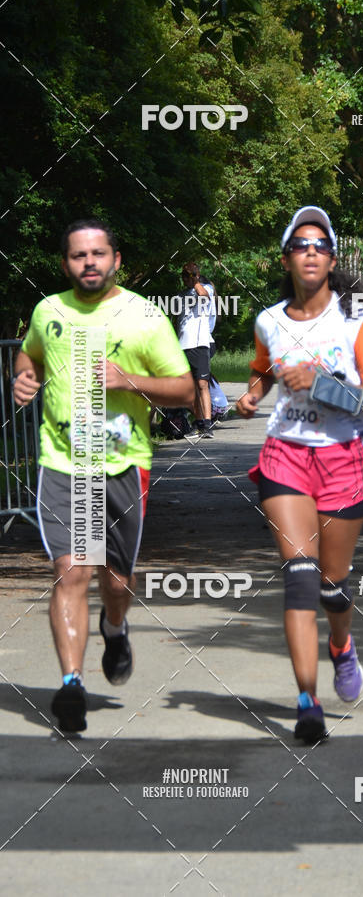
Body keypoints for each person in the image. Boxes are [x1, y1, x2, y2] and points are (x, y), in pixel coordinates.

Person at [13, 219, 194, 733]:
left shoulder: (144, 316)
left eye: (98, 253)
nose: (88, 262)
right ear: (65, 262)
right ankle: (71, 685)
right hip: (63, 461)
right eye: (77, 255)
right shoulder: (48, 311)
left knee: (116, 582)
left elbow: (185, 392)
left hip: (120, 463)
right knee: (72, 573)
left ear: (116, 259)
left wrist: (128, 380)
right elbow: (29, 353)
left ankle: (115, 627)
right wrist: (23, 376)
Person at [236, 206, 363, 744]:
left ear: (330, 259)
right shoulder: (268, 321)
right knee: (299, 577)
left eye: (320, 244)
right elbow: (263, 372)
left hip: (345, 455)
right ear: (286, 258)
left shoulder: (358, 324)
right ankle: (307, 702)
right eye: (300, 244)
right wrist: (252, 396)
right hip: (286, 453)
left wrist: (323, 383)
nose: (310, 251)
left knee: (331, 586)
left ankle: (342, 645)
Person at [177, 262, 217, 438]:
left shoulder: (204, 287)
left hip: (200, 343)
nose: (187, 280)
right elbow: (177, 320)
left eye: (190, 276)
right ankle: (199, 423)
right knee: (189, 387)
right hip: (182, 344)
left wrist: (195, 278)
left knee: (202, 384)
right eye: (185, 277)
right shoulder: (180, 295)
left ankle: (207, 425)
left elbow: (204, 294)